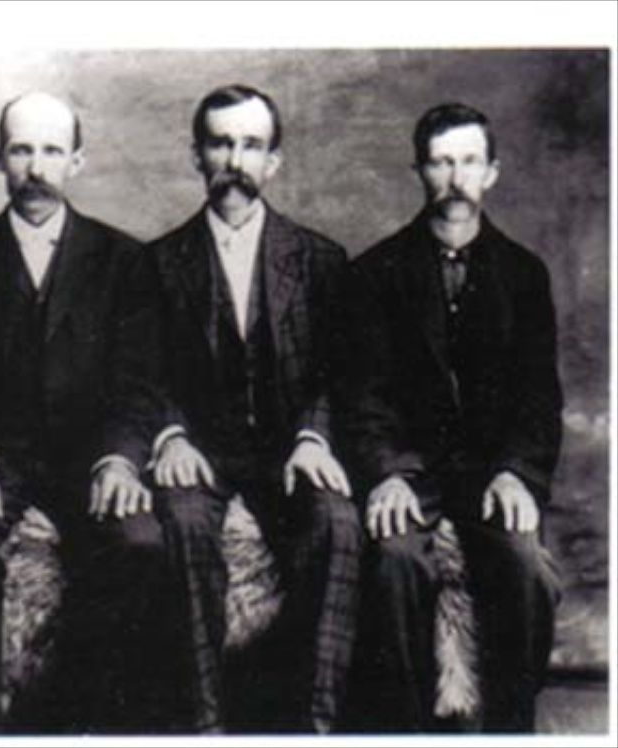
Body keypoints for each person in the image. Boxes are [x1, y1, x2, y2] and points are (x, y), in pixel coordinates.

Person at [0, 92, 167, 732]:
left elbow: (138, 382)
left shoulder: (123, 259)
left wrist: (119, 460)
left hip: (88, 458)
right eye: (21, 151)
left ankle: (75, 724)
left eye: (52, 152)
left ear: (77, 161)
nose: (36, 168)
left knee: (139, 542)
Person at [339, 102, 562, 732]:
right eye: (440, 162)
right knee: (395, 562)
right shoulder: (375, 273)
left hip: (491, 476)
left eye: (468, 162)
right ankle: (404, 734)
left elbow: (538, 398)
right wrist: (386, 473)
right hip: (411, 475)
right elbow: (362, 396)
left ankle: (511, 732)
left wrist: (517, 473)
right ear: (419, 171)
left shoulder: (524, 274)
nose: (456, 178)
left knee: (527, 571)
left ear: (492, 172)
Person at [146, 84, 361, 733]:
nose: (234, 161)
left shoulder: (320, 260)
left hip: (288, 450)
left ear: (274, 161)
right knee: (183, 522)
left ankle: (314, 728)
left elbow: (340, 373)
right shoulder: (157, 262)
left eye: (250, 145)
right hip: (202, 453)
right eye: (220, 144)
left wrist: (313, 438)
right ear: (197, 155)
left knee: (336, 523)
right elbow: (141, 371)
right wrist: (171, 435)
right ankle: (204, 728)